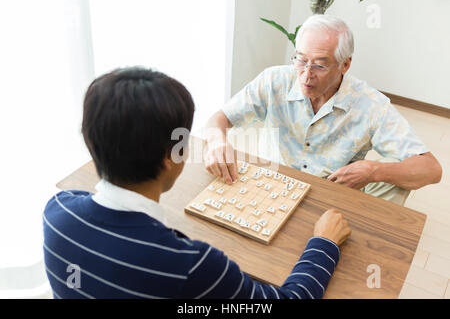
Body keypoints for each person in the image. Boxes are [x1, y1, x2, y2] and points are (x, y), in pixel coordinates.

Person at [43, 67, 351, 299]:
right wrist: (324, 243)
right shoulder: (193, 265)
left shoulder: (57, 212)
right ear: (171, 156)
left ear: (90, 142)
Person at [204, 14, 442, 206]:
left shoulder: (371, 105)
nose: (306, 75)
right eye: (300, 59)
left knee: (395, 178)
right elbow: (220, 119)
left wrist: (373, 170)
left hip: (331, 198)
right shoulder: (273, 80)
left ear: (345, 64)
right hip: (271, 185)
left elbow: (431, 169)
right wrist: (216, 140)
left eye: (319, 64)